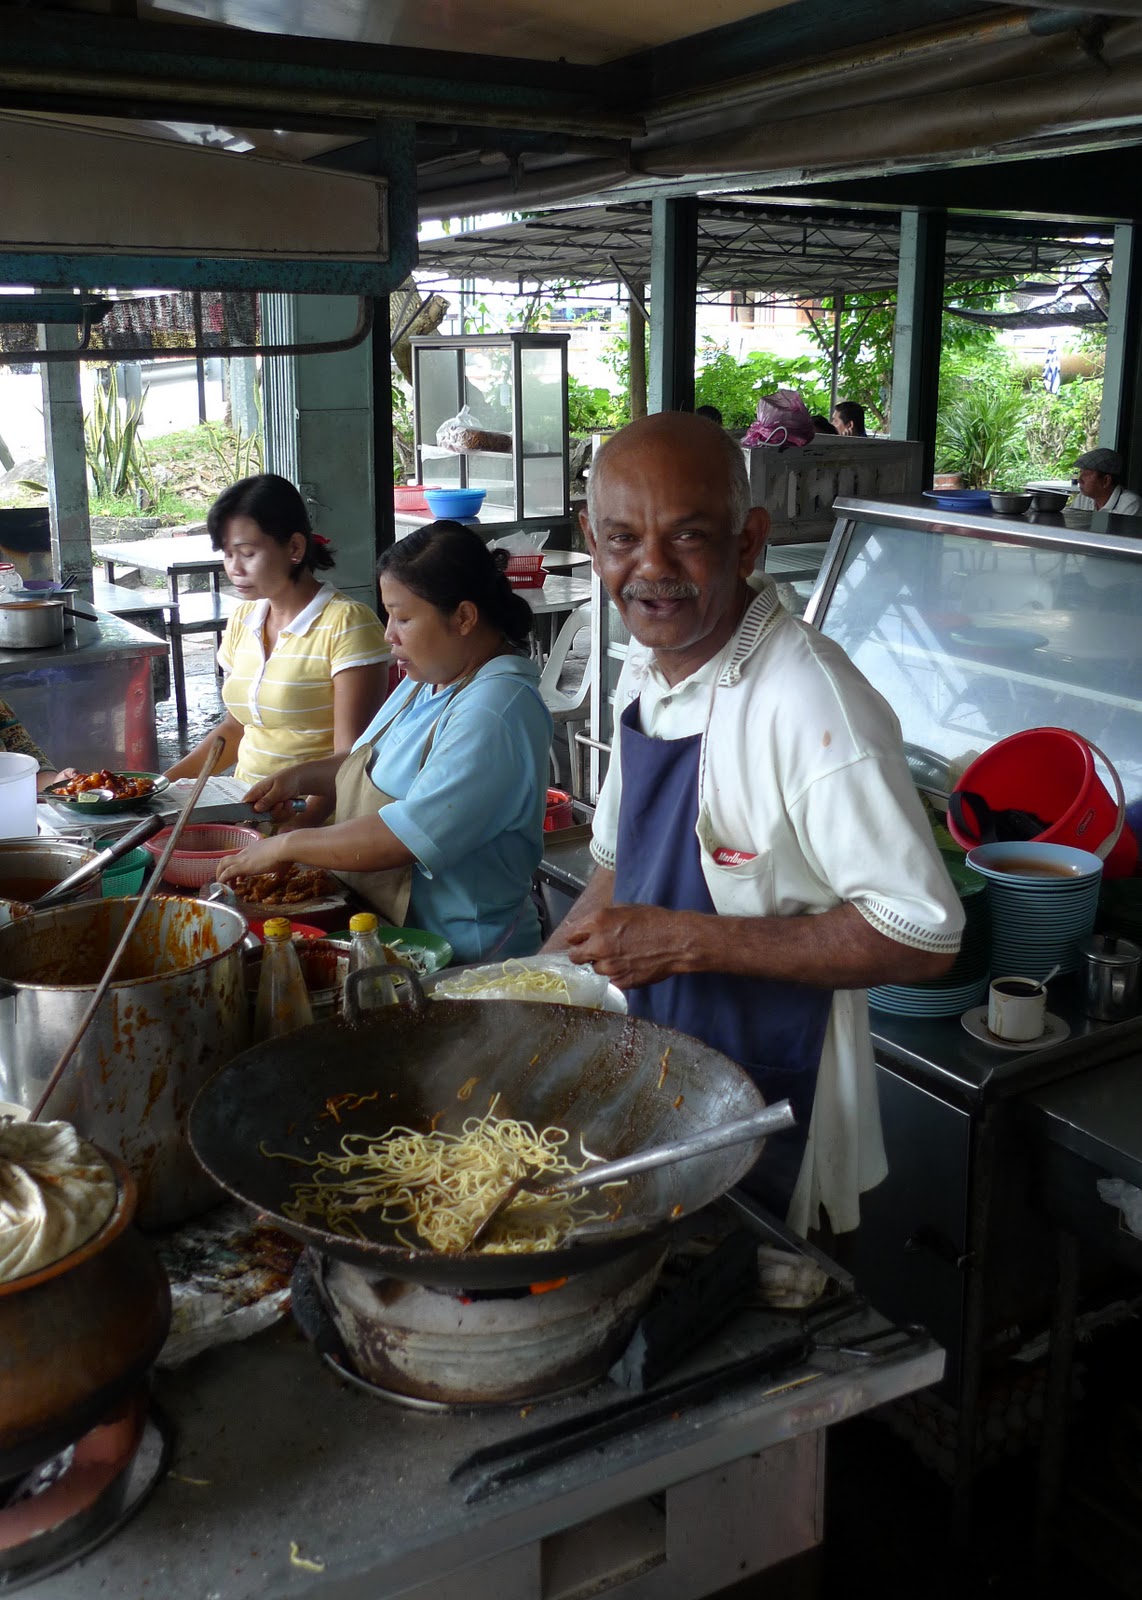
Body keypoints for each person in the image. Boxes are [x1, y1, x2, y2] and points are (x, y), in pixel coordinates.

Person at [547, 413, 963, 1237]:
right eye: (623, 539)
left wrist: (687, 941)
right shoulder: (648, 667)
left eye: (688, 537)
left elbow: (922, 936)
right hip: (658, 1078)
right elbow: (615, 867)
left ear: (748, 543)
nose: (651, 570)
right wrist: (534, 988)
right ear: (593, 543)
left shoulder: (809, 700)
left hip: (777, 1097)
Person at [218, 522, 553, 963]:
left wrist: (284, 845)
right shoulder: (430, 679)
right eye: (389, 615)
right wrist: (301, 778)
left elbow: (407, 836)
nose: (388, 634)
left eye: (404, 617)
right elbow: (372, 765)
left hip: (465, 957)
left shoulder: (495, 711)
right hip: (395, 932)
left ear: (464, 617)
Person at [166, 475, 390, 805]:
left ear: (295, 548)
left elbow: (350, 760)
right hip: (244, 807)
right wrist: (159, 788)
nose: (234, 569)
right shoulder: (244, 619)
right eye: (228, 554)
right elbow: (233, 730)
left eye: (247, 553)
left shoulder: (347, 624)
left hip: (312, 821)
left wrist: (296, 832)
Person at [1070, 447, 1142, 516]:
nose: (1079, 480)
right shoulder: (1083, 498)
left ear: (1106, 481)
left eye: (1087, 474)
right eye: (1081, 472)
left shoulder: (1130, 504)